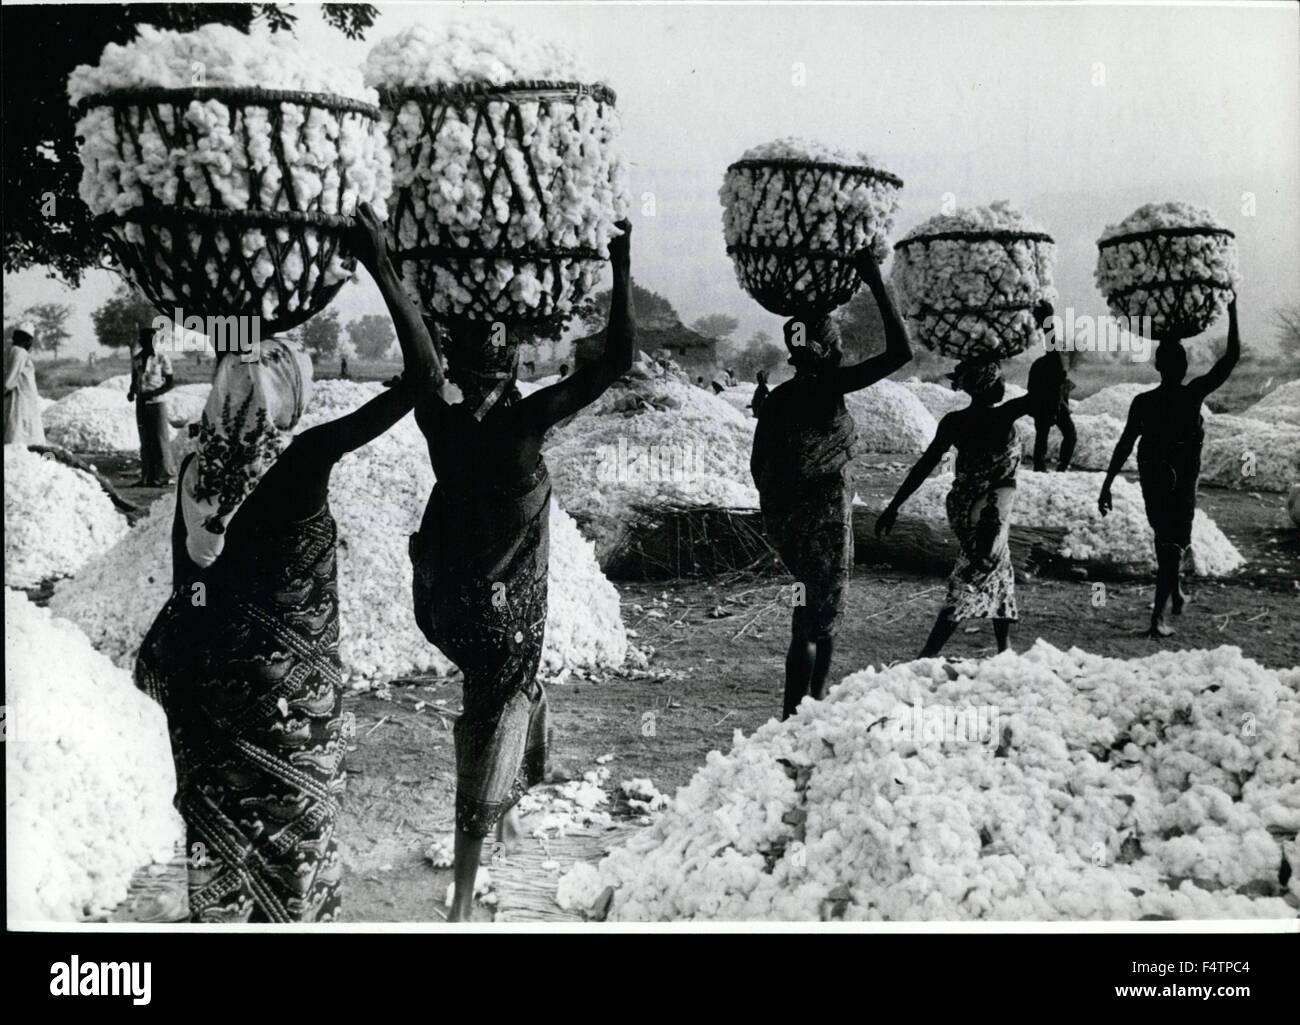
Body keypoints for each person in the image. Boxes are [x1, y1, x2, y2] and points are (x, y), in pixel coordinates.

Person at [134, 203, 440, 923]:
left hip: (212, 701)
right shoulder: (304, 458)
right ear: (290, 398)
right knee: (293, 857)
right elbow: (426, 376)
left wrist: (239, 305)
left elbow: (193, 590)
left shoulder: (196, 475)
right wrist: (378, 261)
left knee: (220, 855)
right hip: (288, 717)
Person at [409, 221, 635, 922]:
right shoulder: (523, 425)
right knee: (492, 724)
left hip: (453, 609)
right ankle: (466, 899)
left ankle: (504, 812)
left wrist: (396, 278)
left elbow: (421, 367)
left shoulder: (440, 425)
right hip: (505, 622)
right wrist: (622, 261)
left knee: (504, 703)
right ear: (509, 368)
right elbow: (616, 359)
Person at [751, 249, 912, 720]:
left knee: (818, 611)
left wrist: (783, 516)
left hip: (794, 526)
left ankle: (811, 706)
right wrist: (876, 281)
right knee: (811, 622)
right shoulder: (826, 388)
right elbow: (901, 352)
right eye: (836, 341)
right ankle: (795, 714)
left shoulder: (780, 399)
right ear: (824, 349)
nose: (842, 349)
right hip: (824, 524)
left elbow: (759, 466)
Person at [878, 359, 1052, 657]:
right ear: (987, 386)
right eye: (999, 381)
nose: (1003, 386)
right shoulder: (1002, 417)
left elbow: (925, 465)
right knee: (977, 571)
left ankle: (1003, 648)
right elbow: (1046, 390)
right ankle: (929, 653)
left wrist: (894, 505)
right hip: (987, 513)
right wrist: (1048, 335)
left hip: (966, 506)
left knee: (1000, 568)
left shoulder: (954, 422)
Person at [1098, 300, 1240, 638]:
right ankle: (1157, 619)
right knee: (1171, 544)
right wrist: (1233, 311)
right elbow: (1231, 358)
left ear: (1158, 366)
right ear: (1186, 366)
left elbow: (1124, 444)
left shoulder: (1144, 402)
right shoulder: (1193, 395)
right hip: (1178, 481)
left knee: (1167, 541)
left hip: (1154, 478)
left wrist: (1107, 484)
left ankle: (1175, 594)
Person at [1027, 301, 1077, 472]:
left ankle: (1062, 467)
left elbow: (1061, 387)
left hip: (1057, 404)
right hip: (1043, 404)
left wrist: (1063, 403)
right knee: (1042, 437)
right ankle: (1039, 466)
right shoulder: (1048, 363)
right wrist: (1048, 321)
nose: (1065, 356)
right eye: (1062, 352)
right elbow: (1033, 388)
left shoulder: (1060, 366)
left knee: (1069, 434)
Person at [127, 326, 177, 486]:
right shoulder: (137, 359)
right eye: (145, 339)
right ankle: (146, 477)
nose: (148, 342)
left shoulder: (162, 357)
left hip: (157, 403)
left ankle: (162, 476)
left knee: (160, 439)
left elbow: (170, 383)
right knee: (145, 440)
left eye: (151, 339)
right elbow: (135, 379)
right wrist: (131, 392)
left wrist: (154, 393)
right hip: (141, 403)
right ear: (141, 341)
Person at [3, 321, 45, 445]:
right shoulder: (19, 352)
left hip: (24, 397)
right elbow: (11, 378)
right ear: (27, 340)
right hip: (21, 397)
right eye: (30, 340)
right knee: (21, 428)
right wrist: (5, 389)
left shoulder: (12, 350)